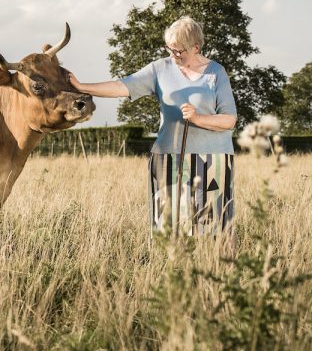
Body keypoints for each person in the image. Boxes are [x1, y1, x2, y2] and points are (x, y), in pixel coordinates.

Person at [69, 16, 237, 236]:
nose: (173, 55)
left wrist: (198, 119)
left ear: (196, 47)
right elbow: (123, 86)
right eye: (170, 49)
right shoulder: (160, 69)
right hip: (168, 159)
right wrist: (83, 87)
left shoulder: (216, 73)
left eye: (179, 51)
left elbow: (229, 119)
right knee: (168, 229)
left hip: (213, 162)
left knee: (212, 230)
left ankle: (213, 268)